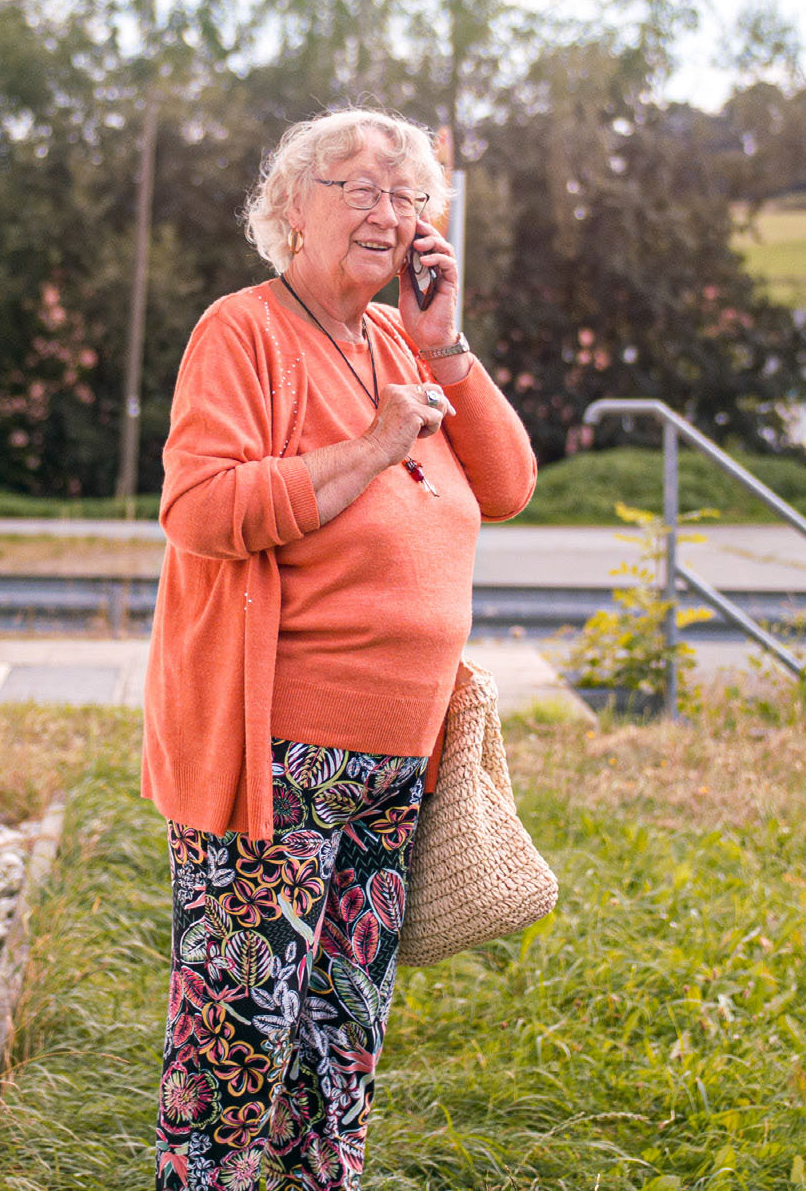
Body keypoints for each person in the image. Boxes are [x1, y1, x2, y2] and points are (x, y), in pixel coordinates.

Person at [142, 108, 536, 1190]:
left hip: (393, 762)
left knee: (338, 1040)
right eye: (356, 187)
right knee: (237, 1044)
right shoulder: (244, 331)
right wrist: (368, 447)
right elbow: (200, 507)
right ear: (289, 210)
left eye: (407, 195)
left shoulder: (404, 345)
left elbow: (505, 486)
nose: (387, 211)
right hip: (276, 754)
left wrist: (448, 343)